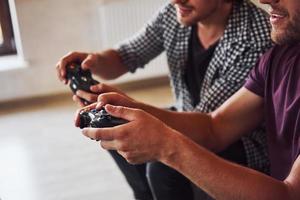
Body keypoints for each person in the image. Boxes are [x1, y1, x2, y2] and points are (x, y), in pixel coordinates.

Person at [77, 0, 300, 199]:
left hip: (248, 142)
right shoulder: (279, 56)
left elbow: (289, 194)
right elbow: (215, 126)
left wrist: (167, 145)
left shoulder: (258, 38)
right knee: (120, 129)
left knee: (161, 166)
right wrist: (128, 107)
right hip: (198, 116)